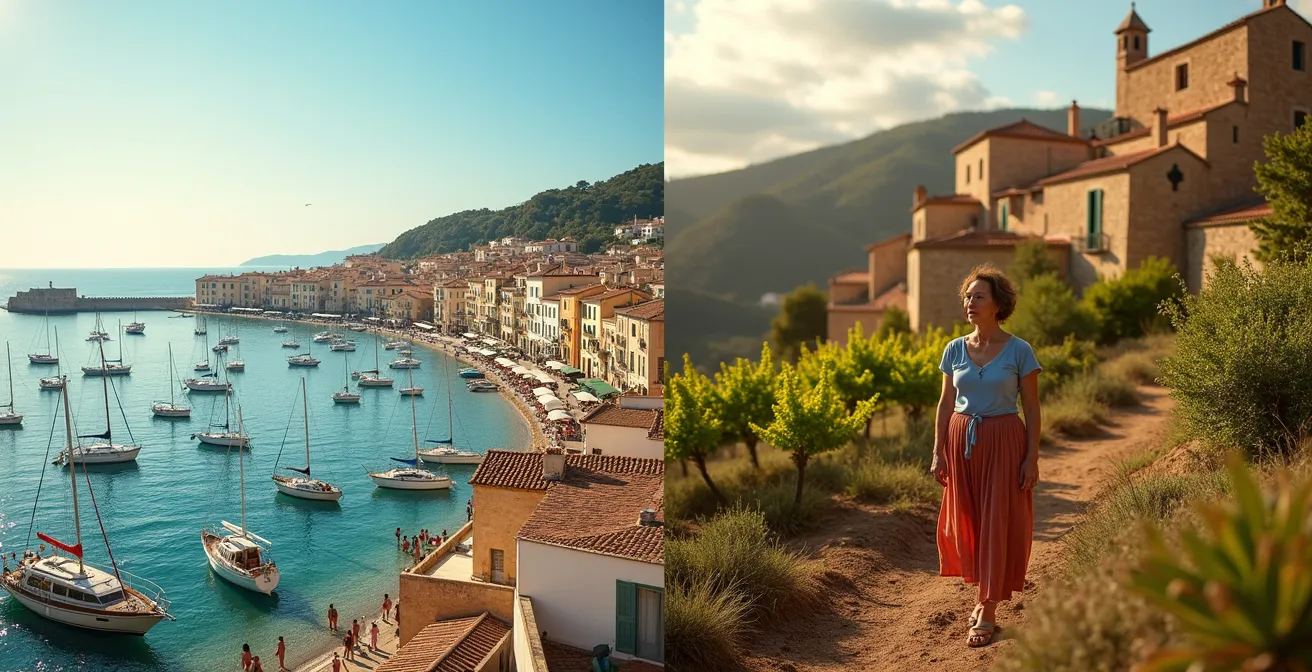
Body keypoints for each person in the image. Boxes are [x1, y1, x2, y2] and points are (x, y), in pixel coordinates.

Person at [929, 265, 1042, 649]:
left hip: (1004, 440)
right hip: (962, 442)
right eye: (967, 296)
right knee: (971, 522)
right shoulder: (954, 349)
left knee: (997, 521)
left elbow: (1033, 408)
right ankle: (983, 598)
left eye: (979, 296)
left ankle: (989, 610)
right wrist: (938, 451)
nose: (970, 303)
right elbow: (945, 404)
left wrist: (1031, 458)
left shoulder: (1019, 350)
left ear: (998, 305)